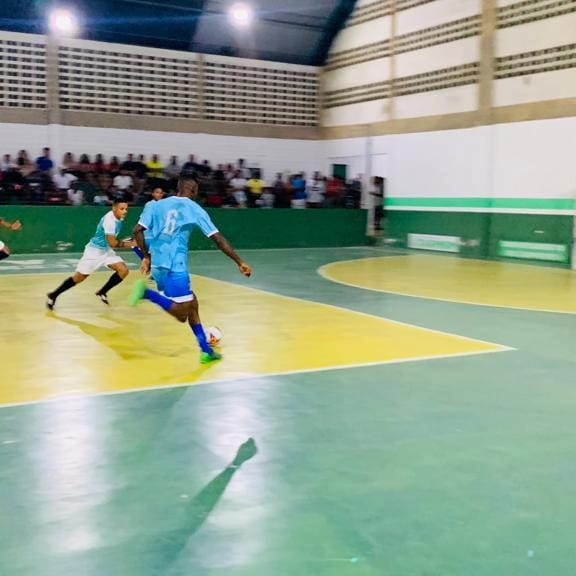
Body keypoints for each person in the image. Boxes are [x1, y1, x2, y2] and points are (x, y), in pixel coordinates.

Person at [130, 175, 252, 364]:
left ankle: (206, 351)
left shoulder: (157, 205)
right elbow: (218, 238)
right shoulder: (194, 209)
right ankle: (147, 293)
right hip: (175, 265)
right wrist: (239, 261)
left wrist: (146, 256)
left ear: (178, 188)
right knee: (181, 314)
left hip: (157, 264)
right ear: (194, 190)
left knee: (192, 304)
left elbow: (137, 230)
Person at [46, 201, 135, 310]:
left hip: (106, 250)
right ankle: (53, 295)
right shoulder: (110, 221)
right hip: (94, 252)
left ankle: (102, 292)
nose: (125, 211)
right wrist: (133, 244)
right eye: (122, 209)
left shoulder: (118, 217)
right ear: (114, 209)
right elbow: (113, 243)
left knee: (123, 270)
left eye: (126, 209)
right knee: (79, 277)